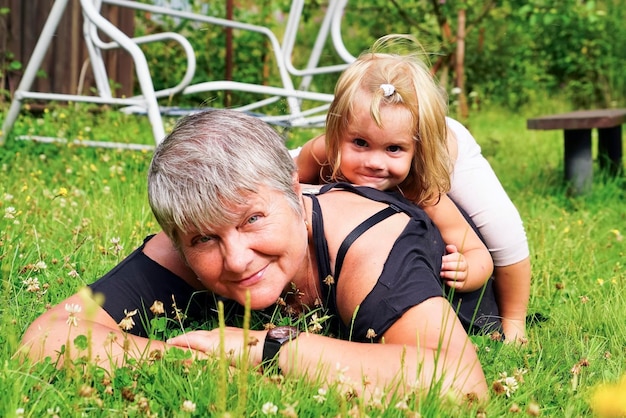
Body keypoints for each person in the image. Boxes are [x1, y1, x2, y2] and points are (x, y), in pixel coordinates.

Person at [21, 109, 489, 401]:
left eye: (252, 220)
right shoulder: (185, 242)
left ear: (292, 190)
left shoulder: (368, 245)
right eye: (204, 239)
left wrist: (267, 349)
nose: (238, 259)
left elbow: (459, 382)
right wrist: (196, 361)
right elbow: (44, 337)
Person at [295, 35, 531, 343]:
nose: (375, 162)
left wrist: (469, 269)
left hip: (447, 154)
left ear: (413, 149)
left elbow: (478, 252)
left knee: (504, 231)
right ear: (338, 132)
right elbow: (285, 184)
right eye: (360, 144)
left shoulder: (419, 185)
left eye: (392, 149)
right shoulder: (323, 151)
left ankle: (515, 320)